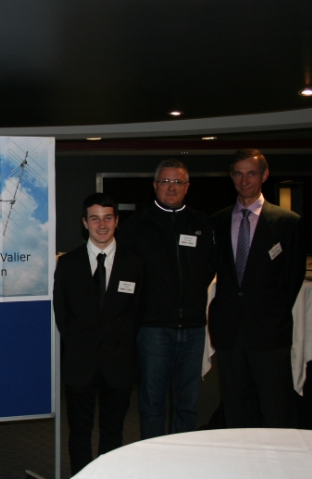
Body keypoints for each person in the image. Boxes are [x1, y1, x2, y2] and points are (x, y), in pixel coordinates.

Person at [117, 159, 215, 439]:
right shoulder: (136, 226)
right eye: (165, 182)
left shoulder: (201, 222)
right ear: (154, 186)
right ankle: (154, 457)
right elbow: (126, 276)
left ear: (187, 187)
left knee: (188, 405)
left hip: (193, 327)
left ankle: (183, 456)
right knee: (153, 404)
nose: (171, 188)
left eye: (177, 182)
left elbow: (210, 267)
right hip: (153, 329)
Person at [210, 149, 306, 427]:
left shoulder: (288, 223)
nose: (244, 181)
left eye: (251, 173)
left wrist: (271, 314)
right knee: (235, 409)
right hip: (229, 331)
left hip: (269, 331)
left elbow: (292, 280)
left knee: (276, 408)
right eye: (238, 174)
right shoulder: (217, 221)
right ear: (232, 177)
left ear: (264, 175)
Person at [53, 193, 145, 475]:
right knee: (79, 432)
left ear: (117, 221)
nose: (102, 225)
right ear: (85, 223)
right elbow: (62, 314)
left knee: (113, 432)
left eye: (108, 218)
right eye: (95, 218)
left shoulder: (135, 264)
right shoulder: (68, 264)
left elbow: (138, 313)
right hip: (79, 363)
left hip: (119, 363)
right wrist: (80, 345)